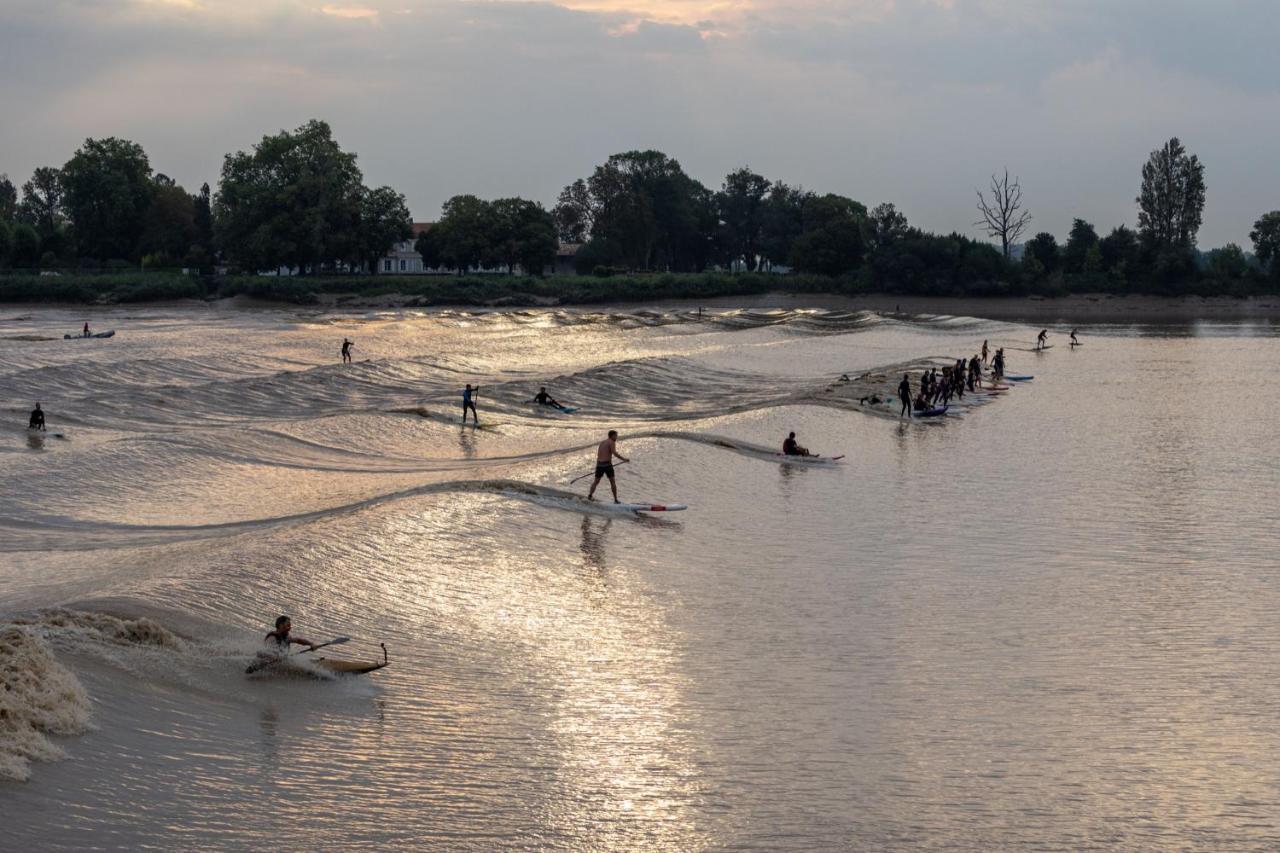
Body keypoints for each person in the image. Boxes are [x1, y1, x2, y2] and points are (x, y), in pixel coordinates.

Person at [588, 430, 629, 503]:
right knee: (612, 482)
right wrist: (624, 459)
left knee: (596, 482)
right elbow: (614, 453)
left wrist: (598, 466)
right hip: (607, 465)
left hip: (599, 465)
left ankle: (590, 496)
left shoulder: (602, 443)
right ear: (612, 435)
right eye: (616, 435)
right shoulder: (611, 442)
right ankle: (616, 500)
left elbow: (599, 454)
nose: (617, 437)